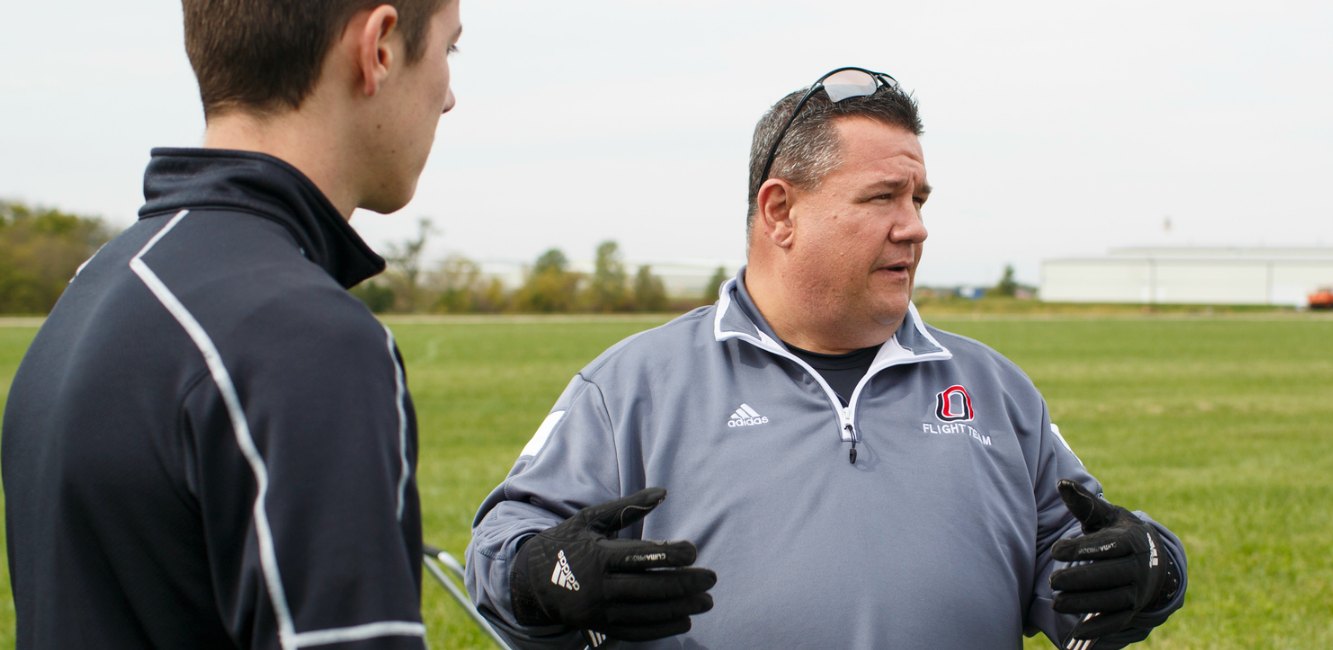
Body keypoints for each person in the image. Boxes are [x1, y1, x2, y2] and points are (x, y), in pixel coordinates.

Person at [466, 67, 1188, 649]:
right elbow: (501, 549)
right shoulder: (632, 386)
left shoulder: (994, 389)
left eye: (920, 197)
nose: (916, 227)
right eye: (883, 197)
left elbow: (1087, 564)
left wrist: (1151, 570)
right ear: (780, 211)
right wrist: (543, 574)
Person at [2, 1, 461, 647]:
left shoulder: (94, 291)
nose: (449, 97)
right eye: (450, 49)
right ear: (379, 47)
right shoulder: (303, 339)